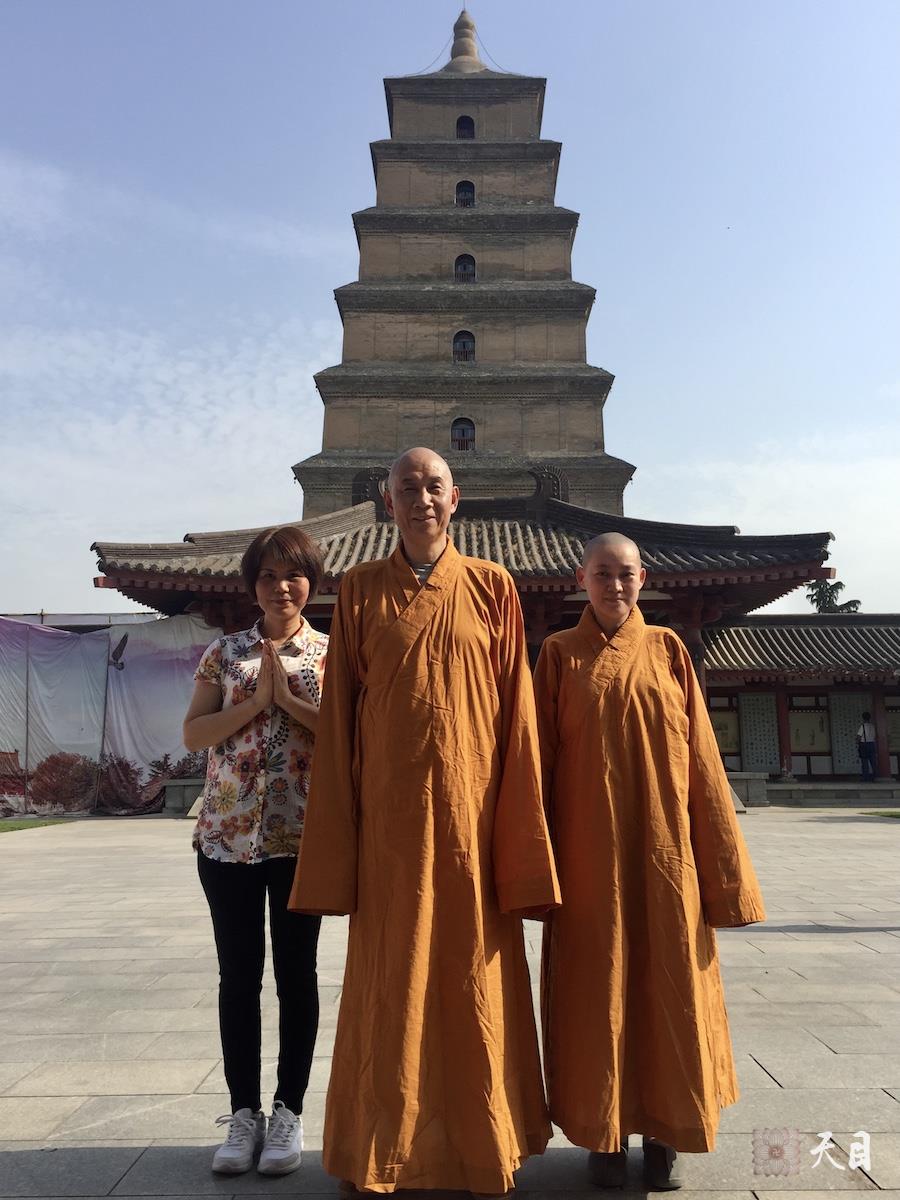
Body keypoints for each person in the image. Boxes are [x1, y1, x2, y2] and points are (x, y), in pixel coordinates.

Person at [288, 447, 560, 1195]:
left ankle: (484, 1145)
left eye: (433, 485)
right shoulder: (358, 589)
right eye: (407, 487)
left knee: (474, 976)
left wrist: (521, 834)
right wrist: (341, 835)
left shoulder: (493, 585)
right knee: (392, 977)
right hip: (392, 823)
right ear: (389, 503)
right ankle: (380, 1149)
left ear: (455, 497)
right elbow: (340, 719)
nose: (421, 498)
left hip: (473, 818)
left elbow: (517, 717)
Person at [534, 533, 765, 1190]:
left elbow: (702, 761)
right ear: (581, 579)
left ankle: (666, 1131)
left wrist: (722, 868)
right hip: (588, 858)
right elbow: (536, 764)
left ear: (644, 578)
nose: (614, 585)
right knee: (595, 991)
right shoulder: (558, 655)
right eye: (602, 573)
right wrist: (535, 864)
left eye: (625, 574)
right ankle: (604, 1132)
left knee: (670, 986)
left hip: (666, 853)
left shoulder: (667, 649)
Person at [183, 525, 328, 1176]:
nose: (281, 587)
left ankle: (288, 1111)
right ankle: (244, 1114)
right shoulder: (225, 653)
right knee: (238, 977)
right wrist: (256, 703)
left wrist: (288, 700)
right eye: (268, 576)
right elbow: (195, 733)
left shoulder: (330, 655)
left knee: (297, 977)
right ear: (252, 586)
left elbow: (349, 734)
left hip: (302, 837)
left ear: (310, 583)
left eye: (292, 575)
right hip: (227, 837)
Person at [856, 711, 877, 782]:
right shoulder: (873, 726)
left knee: (864, 762)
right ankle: (876, 776)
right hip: (872, 744)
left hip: (864, 745)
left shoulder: (862, 726)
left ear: (863, 718)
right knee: (873, 762)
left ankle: (865, 777)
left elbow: (859, 736)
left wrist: (857, 742)